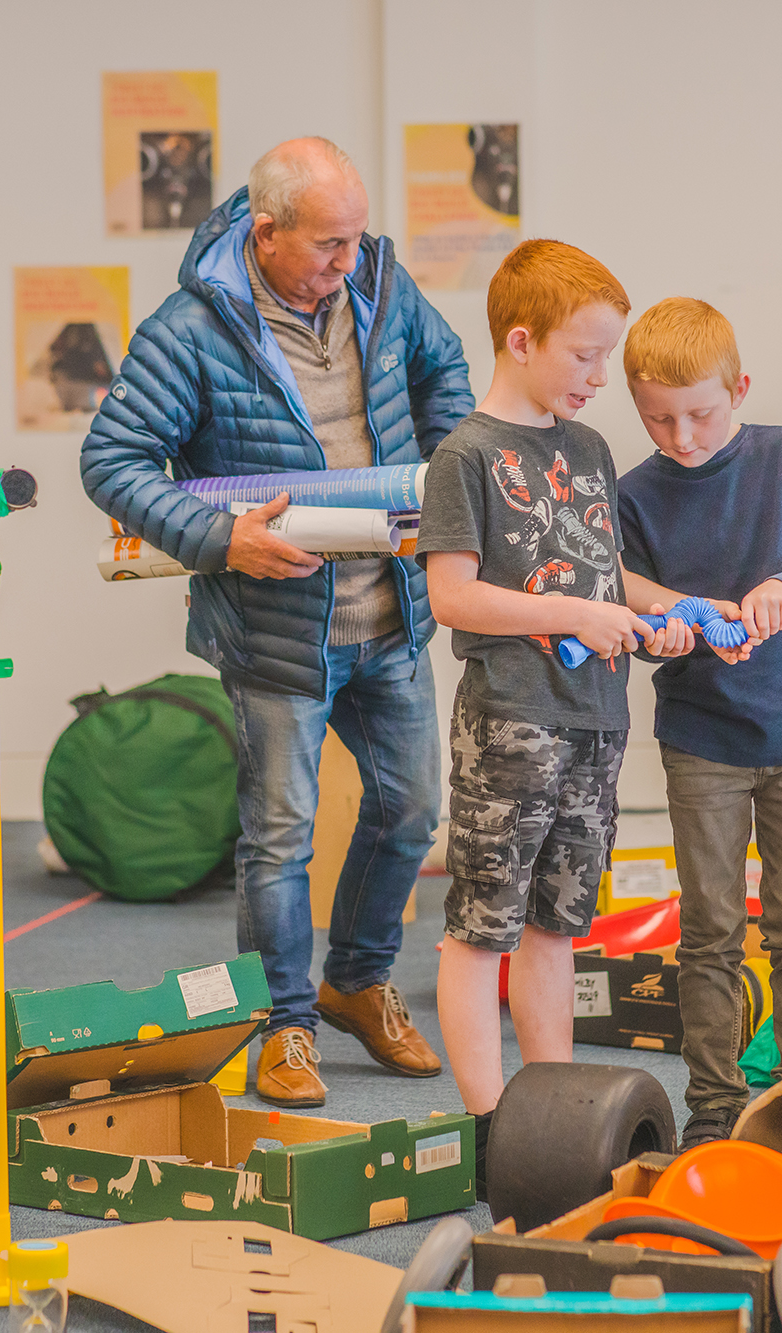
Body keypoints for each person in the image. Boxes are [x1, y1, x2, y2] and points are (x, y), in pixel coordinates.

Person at [80, 137, 475, 1108]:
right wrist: (221, 540)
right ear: (265, 235)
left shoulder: (380, 289)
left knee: (409, 809)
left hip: (389, 614)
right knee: (278, 837)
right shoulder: (189, 332)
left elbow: (444, 373)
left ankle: (355, 979)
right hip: (274, 632)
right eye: (328, 245)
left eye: (356, 239)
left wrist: (447, 478)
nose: (349, 260)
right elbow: (113, 462)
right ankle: (283, 1023)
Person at [416, 240, 696, 1188]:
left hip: (594, 717)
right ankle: (494, 1131)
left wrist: (676, 610)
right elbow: (454, 596)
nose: (599, 378)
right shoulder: (465, 457)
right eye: (584, 356)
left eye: (606, 357)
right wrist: (578, 615)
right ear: (522, 340)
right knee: (483, 924)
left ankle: (553, 1121)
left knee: (557, 924)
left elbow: (602, 576)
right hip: (511, 719)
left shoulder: (587, 451)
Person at [615, 297, 782, 1148]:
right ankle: (716, 1104)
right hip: (702, 743)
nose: (681, 437)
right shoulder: (636, 496)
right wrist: (671, 630)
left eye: (700, 414)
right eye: (658, 418)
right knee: (711, 929)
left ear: (740, 390)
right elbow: (637, 624)